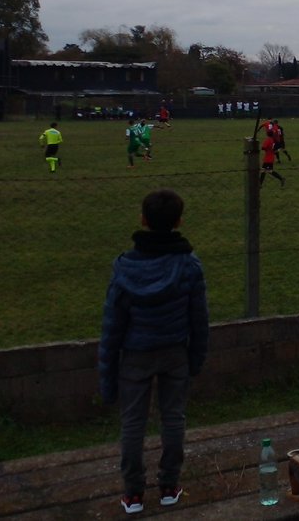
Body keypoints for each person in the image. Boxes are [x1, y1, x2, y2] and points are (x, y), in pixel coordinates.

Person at [98, 189, 210, 515]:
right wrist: (196, 358)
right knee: (173, 418)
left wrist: (107, 379)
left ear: (143, 220)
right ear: (179, 221)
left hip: (135, 355)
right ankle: (169, 486)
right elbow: (199, 318)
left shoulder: (125, 268)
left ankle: (133, 493)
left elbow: (112, 326)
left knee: (133, 423)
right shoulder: (189, 265)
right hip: (175, 351)